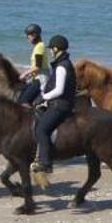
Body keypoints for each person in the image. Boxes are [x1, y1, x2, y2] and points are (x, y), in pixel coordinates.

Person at [30, 33, 76, 188]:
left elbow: (59, 90)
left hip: (60, 105)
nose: (50, 51)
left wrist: (43, 97)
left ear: (56, 49)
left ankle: (46, 163)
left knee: (42, 130)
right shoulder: (62, 63)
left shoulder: (62, 66)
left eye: (51, 49)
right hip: (57, 103)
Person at [16, 23, 48, 106]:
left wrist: (25, 73)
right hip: (36, 77)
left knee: (23, 101)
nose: (27, 37)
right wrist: (29, 75)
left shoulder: (39, 47)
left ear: (34, 35)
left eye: (28, 35)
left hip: (40, 79)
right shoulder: (38, 46)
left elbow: (38, 66)